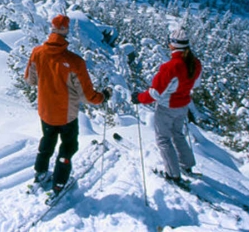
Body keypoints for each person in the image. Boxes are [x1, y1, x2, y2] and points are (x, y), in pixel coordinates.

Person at [24, 14, 112, 196]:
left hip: (45, 110)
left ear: (52, 28)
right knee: (68, 147)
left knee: (47, 141)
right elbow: (88, 96)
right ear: (66, 30)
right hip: (67, 114)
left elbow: (30, 80)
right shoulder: (75, 61)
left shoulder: (37, 52)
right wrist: (103, 97)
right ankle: (59, 184)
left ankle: (40, 174)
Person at [130, 28, 202, 186]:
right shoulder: (195, 63)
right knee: (178, 134)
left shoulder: (170, 67)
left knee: (163, 139)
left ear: (173, 45)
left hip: (167, 107)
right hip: (183, 106)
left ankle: (173, 174)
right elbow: (195, 84)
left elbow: (154, 94)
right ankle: (187, 165)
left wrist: (139, 98)